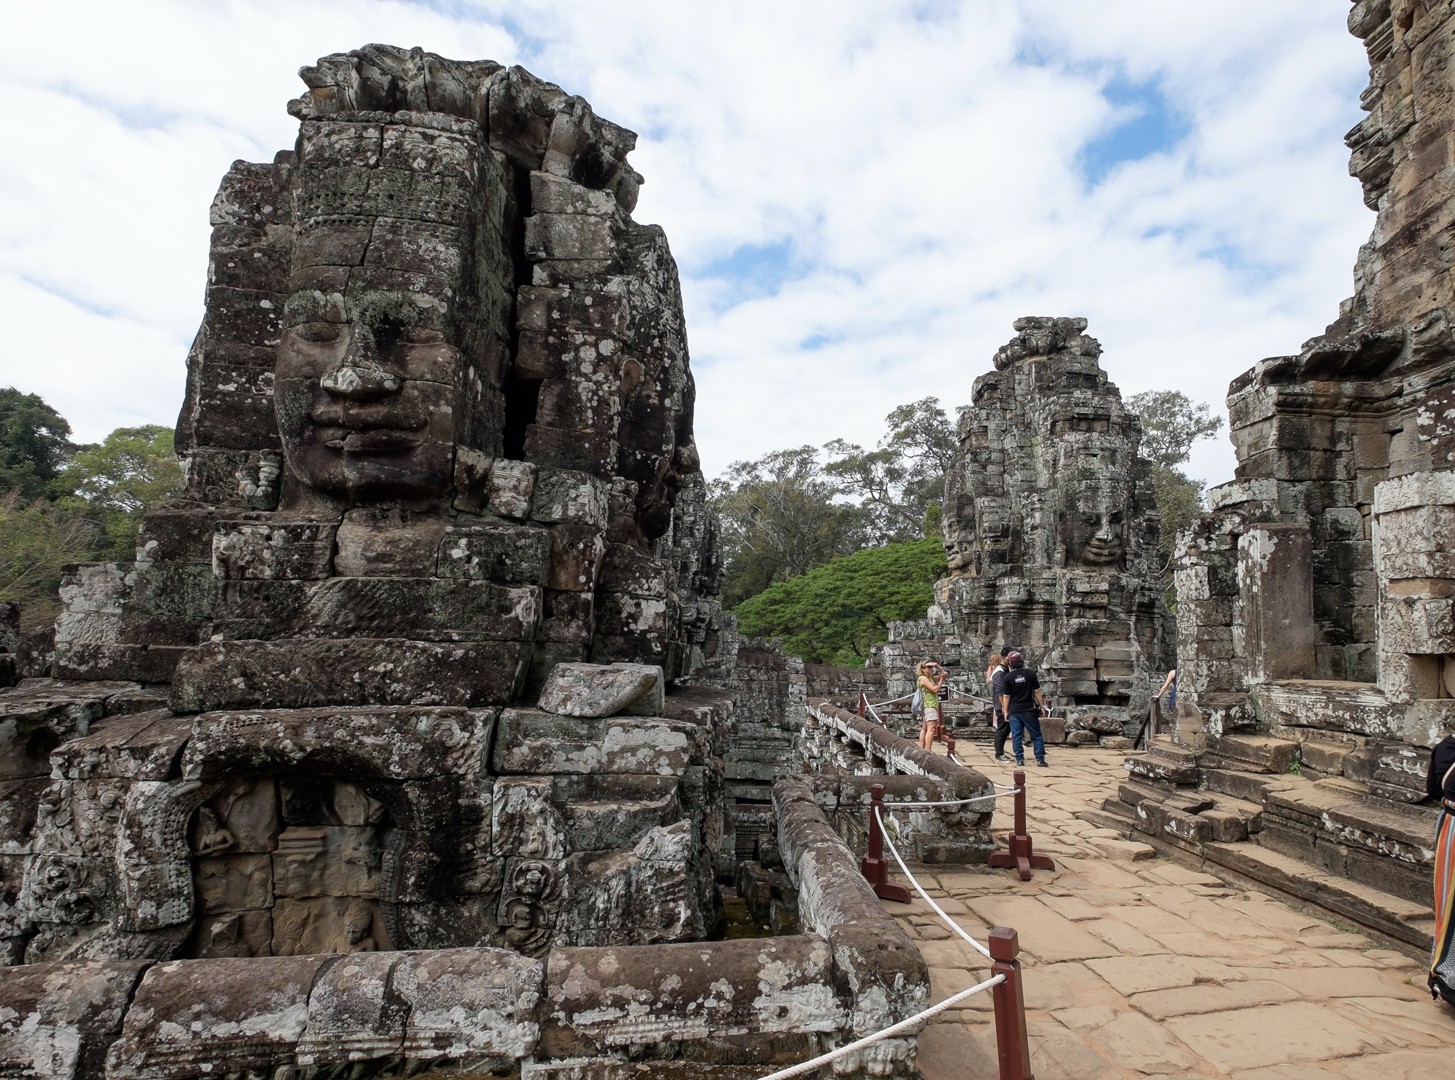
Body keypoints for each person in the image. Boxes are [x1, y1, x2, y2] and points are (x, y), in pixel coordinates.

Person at [1427, 733, 1455, 1007]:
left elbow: (1434, 791)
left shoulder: (1446, 747)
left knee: (1449, 906)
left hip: (1451, 828)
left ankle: (1446, 976)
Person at [998, 650, 1048, 768]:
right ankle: (1040, 759)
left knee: (1017, 735)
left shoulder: (1008, 677)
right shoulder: (1030, 674)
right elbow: (1037, 691)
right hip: (1029, 709)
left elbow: (1006, 696)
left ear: (1010, 663)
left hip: (1015, 710)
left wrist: (1005, 711)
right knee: (1036, 735)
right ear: (1021, 661)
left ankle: (1020, 759)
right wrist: (1042, 706)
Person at [916, 660, 947, 752]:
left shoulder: (930, 678)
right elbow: (934, 689)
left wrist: (936, 665)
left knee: (925, 728)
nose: (930, 670)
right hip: (929, 705)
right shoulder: (923, 678)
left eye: (931, 668)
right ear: (922, 669)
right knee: (931, 728)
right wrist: (942, 680)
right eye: (928, 668)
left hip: (930, 705)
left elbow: (943, 673)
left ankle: (922, 748)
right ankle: (927, 750)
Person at [986, 652, 1011, 762]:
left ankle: (1000, 751)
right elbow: (1000, 691)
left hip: (1003, 704)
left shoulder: (1004, 670)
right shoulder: (998, 672)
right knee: (1002, 728)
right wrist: (1004, 707)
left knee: (1006, 728)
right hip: (1001, 705)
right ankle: (999, 753)